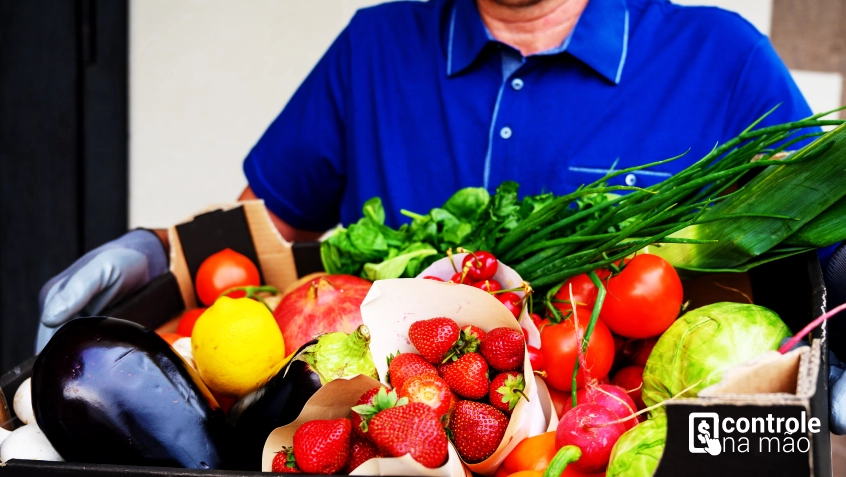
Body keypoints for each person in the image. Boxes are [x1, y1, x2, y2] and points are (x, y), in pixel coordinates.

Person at [38, 0, 843, 426]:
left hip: (608, 434)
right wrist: (164, 252)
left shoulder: (721, 56)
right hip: (386, 434)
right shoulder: (374, 46)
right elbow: (261, 237)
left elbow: (815, 227)